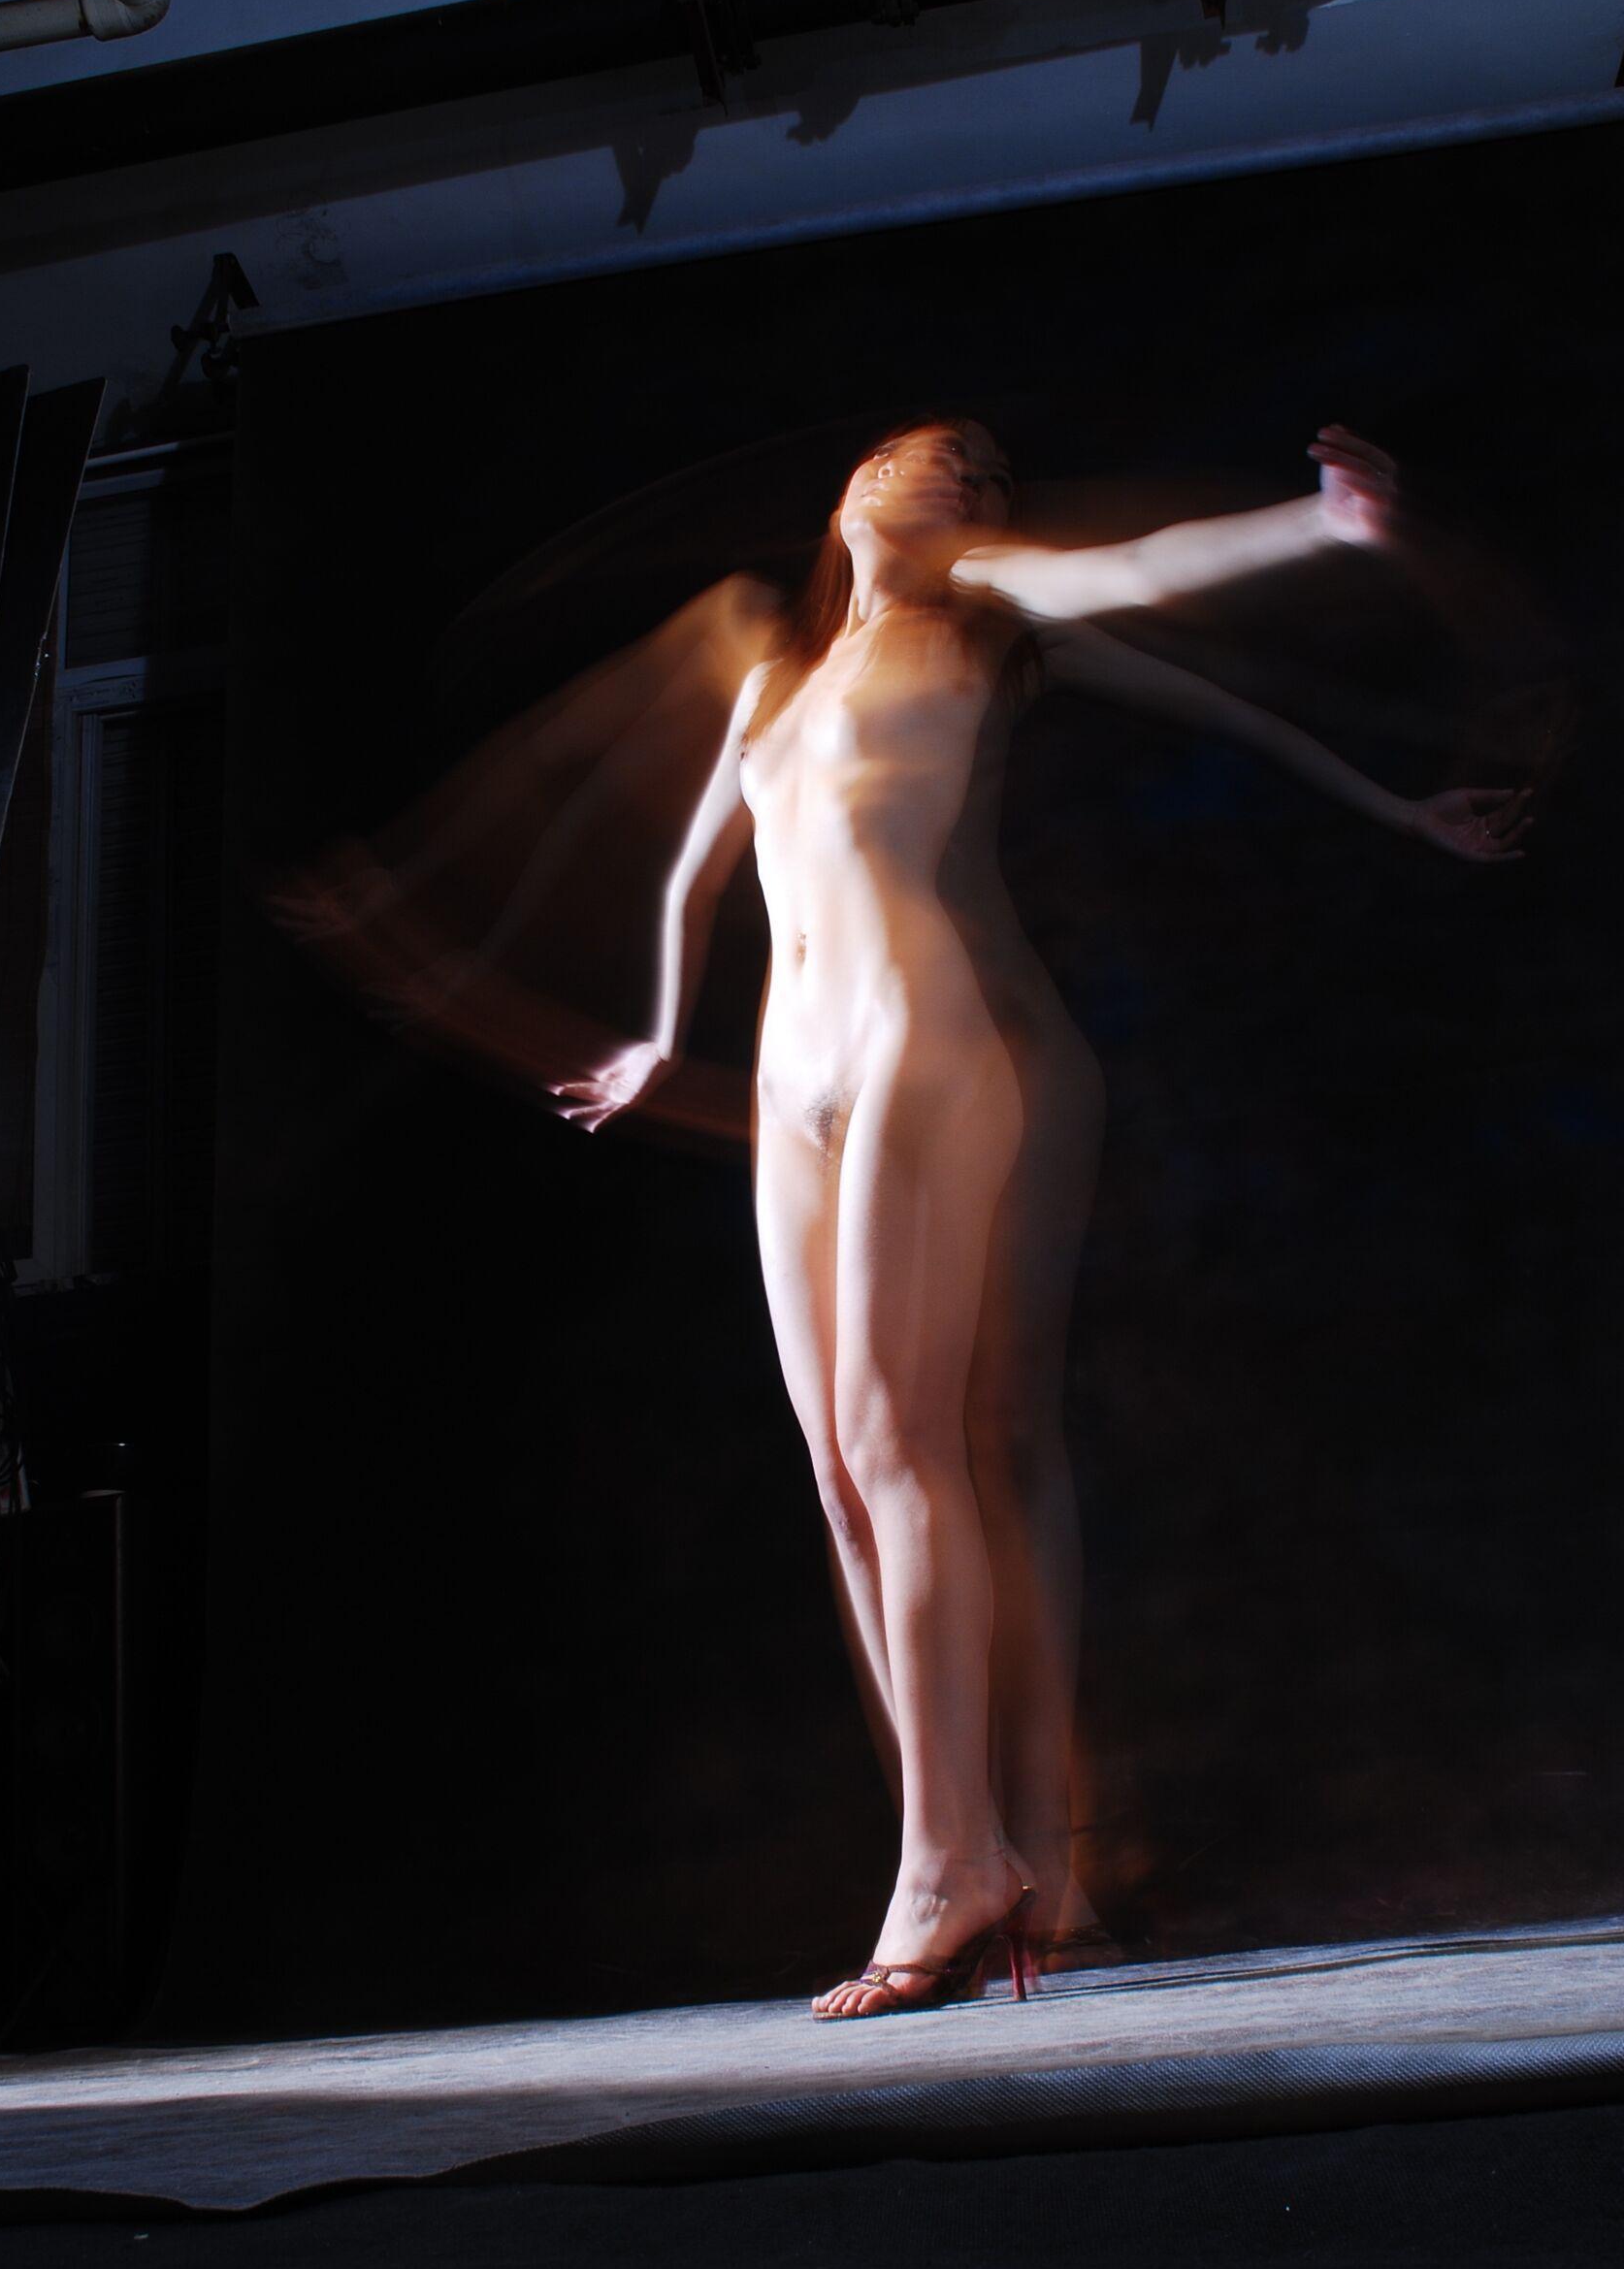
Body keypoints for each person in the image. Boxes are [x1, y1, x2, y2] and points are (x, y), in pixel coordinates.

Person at [543, 419, 1533, 2021]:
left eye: (992, 477)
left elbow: (1147, 582)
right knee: (842, 1479)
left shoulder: (984, 619)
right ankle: (973, 1847)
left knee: (906, 1443)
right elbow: (695, 876)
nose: (972, 480)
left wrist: (1322, 530)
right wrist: (656, 1037)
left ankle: (953, 1863)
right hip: (794, 1078)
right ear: (857, 492)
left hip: (922, 1042)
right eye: (941, 459)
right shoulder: (775, 680)